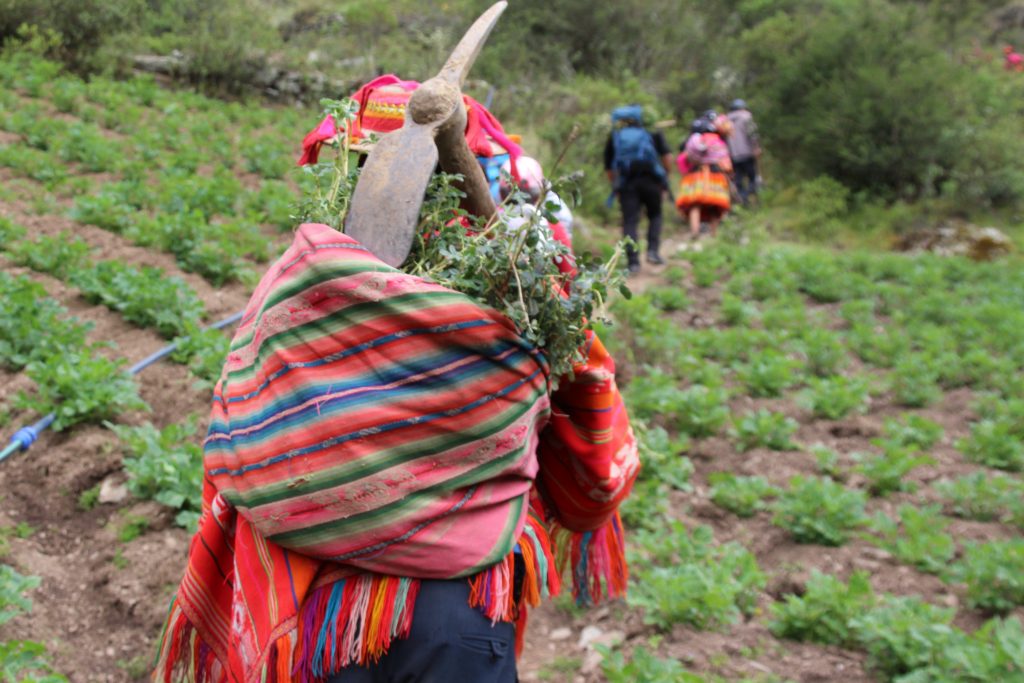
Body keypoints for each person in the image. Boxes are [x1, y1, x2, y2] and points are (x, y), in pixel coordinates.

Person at [154, 79, 639, 683]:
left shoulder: (297, 286)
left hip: (310, 607)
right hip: (456, 608)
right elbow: (590, 422)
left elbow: (241, 432)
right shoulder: (517, 297)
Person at [604, 105, 673, 273]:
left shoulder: (616, 136)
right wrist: (664, 177)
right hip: (651, 181)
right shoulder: (652, 132)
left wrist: (616, 185)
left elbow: (609, 167)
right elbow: (667, 157)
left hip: (627, 183)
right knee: (655, 215)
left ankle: (633, 262)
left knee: (629, 221)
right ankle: (652, 252)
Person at [676, 116, 732, 240]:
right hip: (715, 176)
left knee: (695, 204)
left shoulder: (696, 139)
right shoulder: (719, 141)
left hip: (696, 176)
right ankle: (714, 234)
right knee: (715, 206)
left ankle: (694, 232)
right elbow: (725, 161)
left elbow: (689, 157)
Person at [726, 99, 761, 205]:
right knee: (752, 177)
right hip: (747, 153)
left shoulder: (725, 121)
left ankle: (743, 200)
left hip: (733, 155)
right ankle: (746, 196)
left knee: (739, 179)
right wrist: (756, 147)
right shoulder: (746, 116)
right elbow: (752, 133)